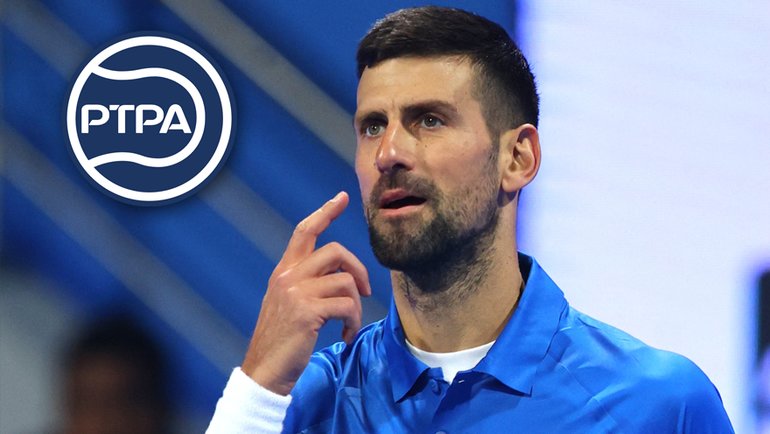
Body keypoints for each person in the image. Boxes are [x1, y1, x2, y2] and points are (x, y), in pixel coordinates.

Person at [208, 6, 734, 433]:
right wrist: (258, 387)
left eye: (429, 120)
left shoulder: (658, 405)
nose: (388, 153)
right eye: (373, 126)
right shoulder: (302, 403)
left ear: (518, 158)